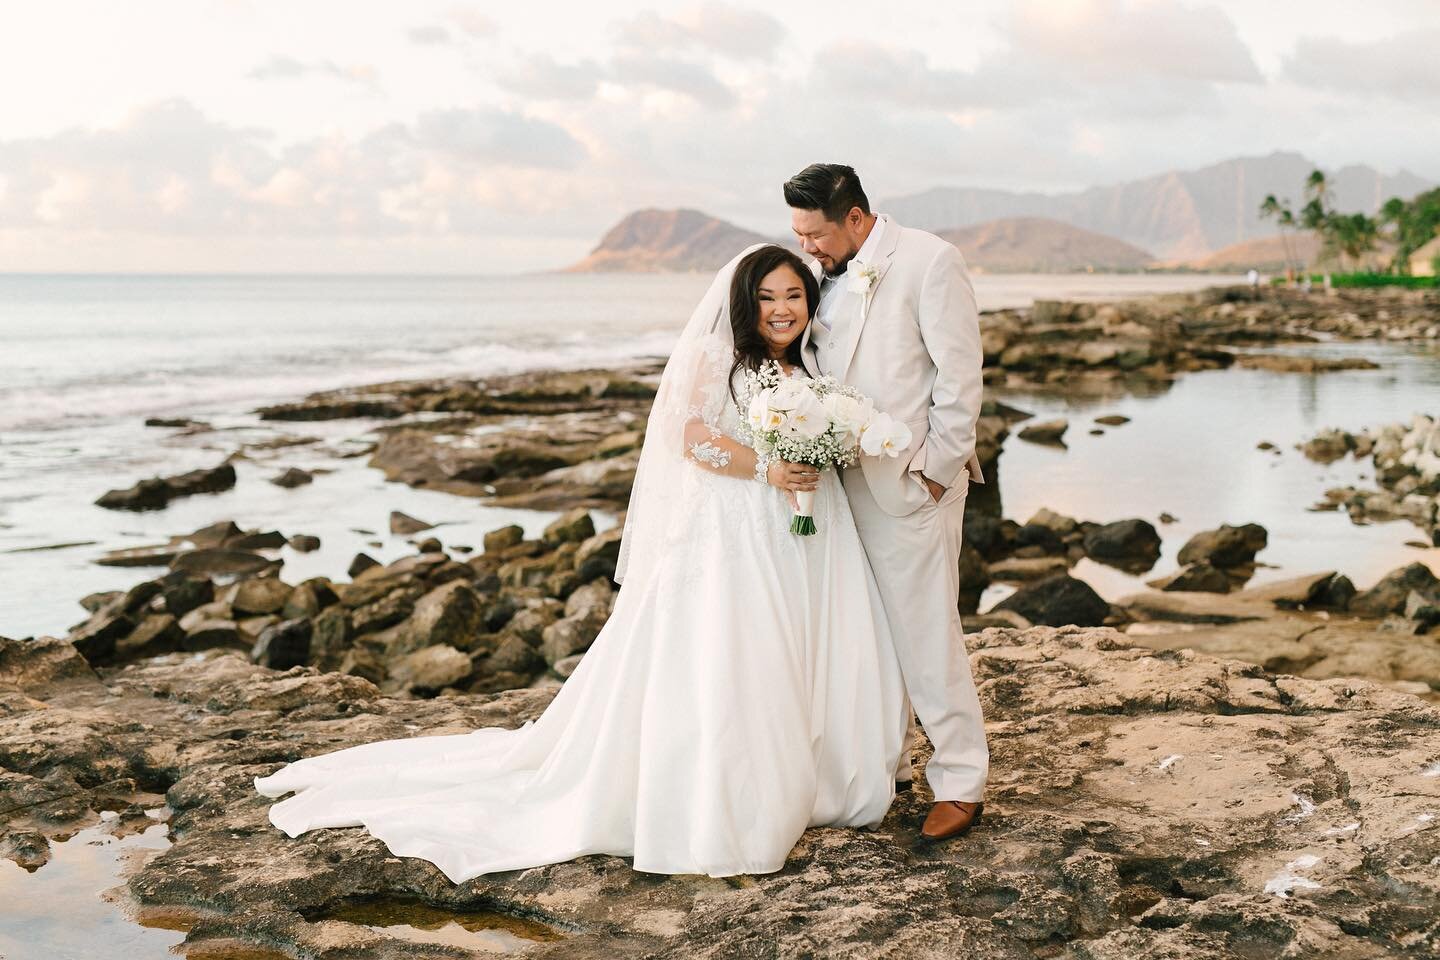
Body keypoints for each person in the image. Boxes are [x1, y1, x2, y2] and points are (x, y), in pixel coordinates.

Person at [253, 245, 909, 882]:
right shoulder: (719, 355)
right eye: (768, 296)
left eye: (794, 295)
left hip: (805, 532)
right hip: (733, 524)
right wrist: (768, 468)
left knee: (800, 645)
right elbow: (691, 437)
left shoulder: (809, 366)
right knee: (732, 654)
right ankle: (730, 792)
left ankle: (810, 769)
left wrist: (824, 448)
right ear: (745, 301)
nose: (782, 308)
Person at [786, 163, 990, 843]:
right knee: (868, 629)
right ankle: (891, 761)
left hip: (910, 484)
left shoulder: (931, 261)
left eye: (814, 233)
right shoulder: (821, 272)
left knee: (928, 631)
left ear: (854, 218)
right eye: (797, 234)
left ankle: (961, 779)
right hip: (844, 487)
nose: (807, 246)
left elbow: (960, 379)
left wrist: (935, 472)